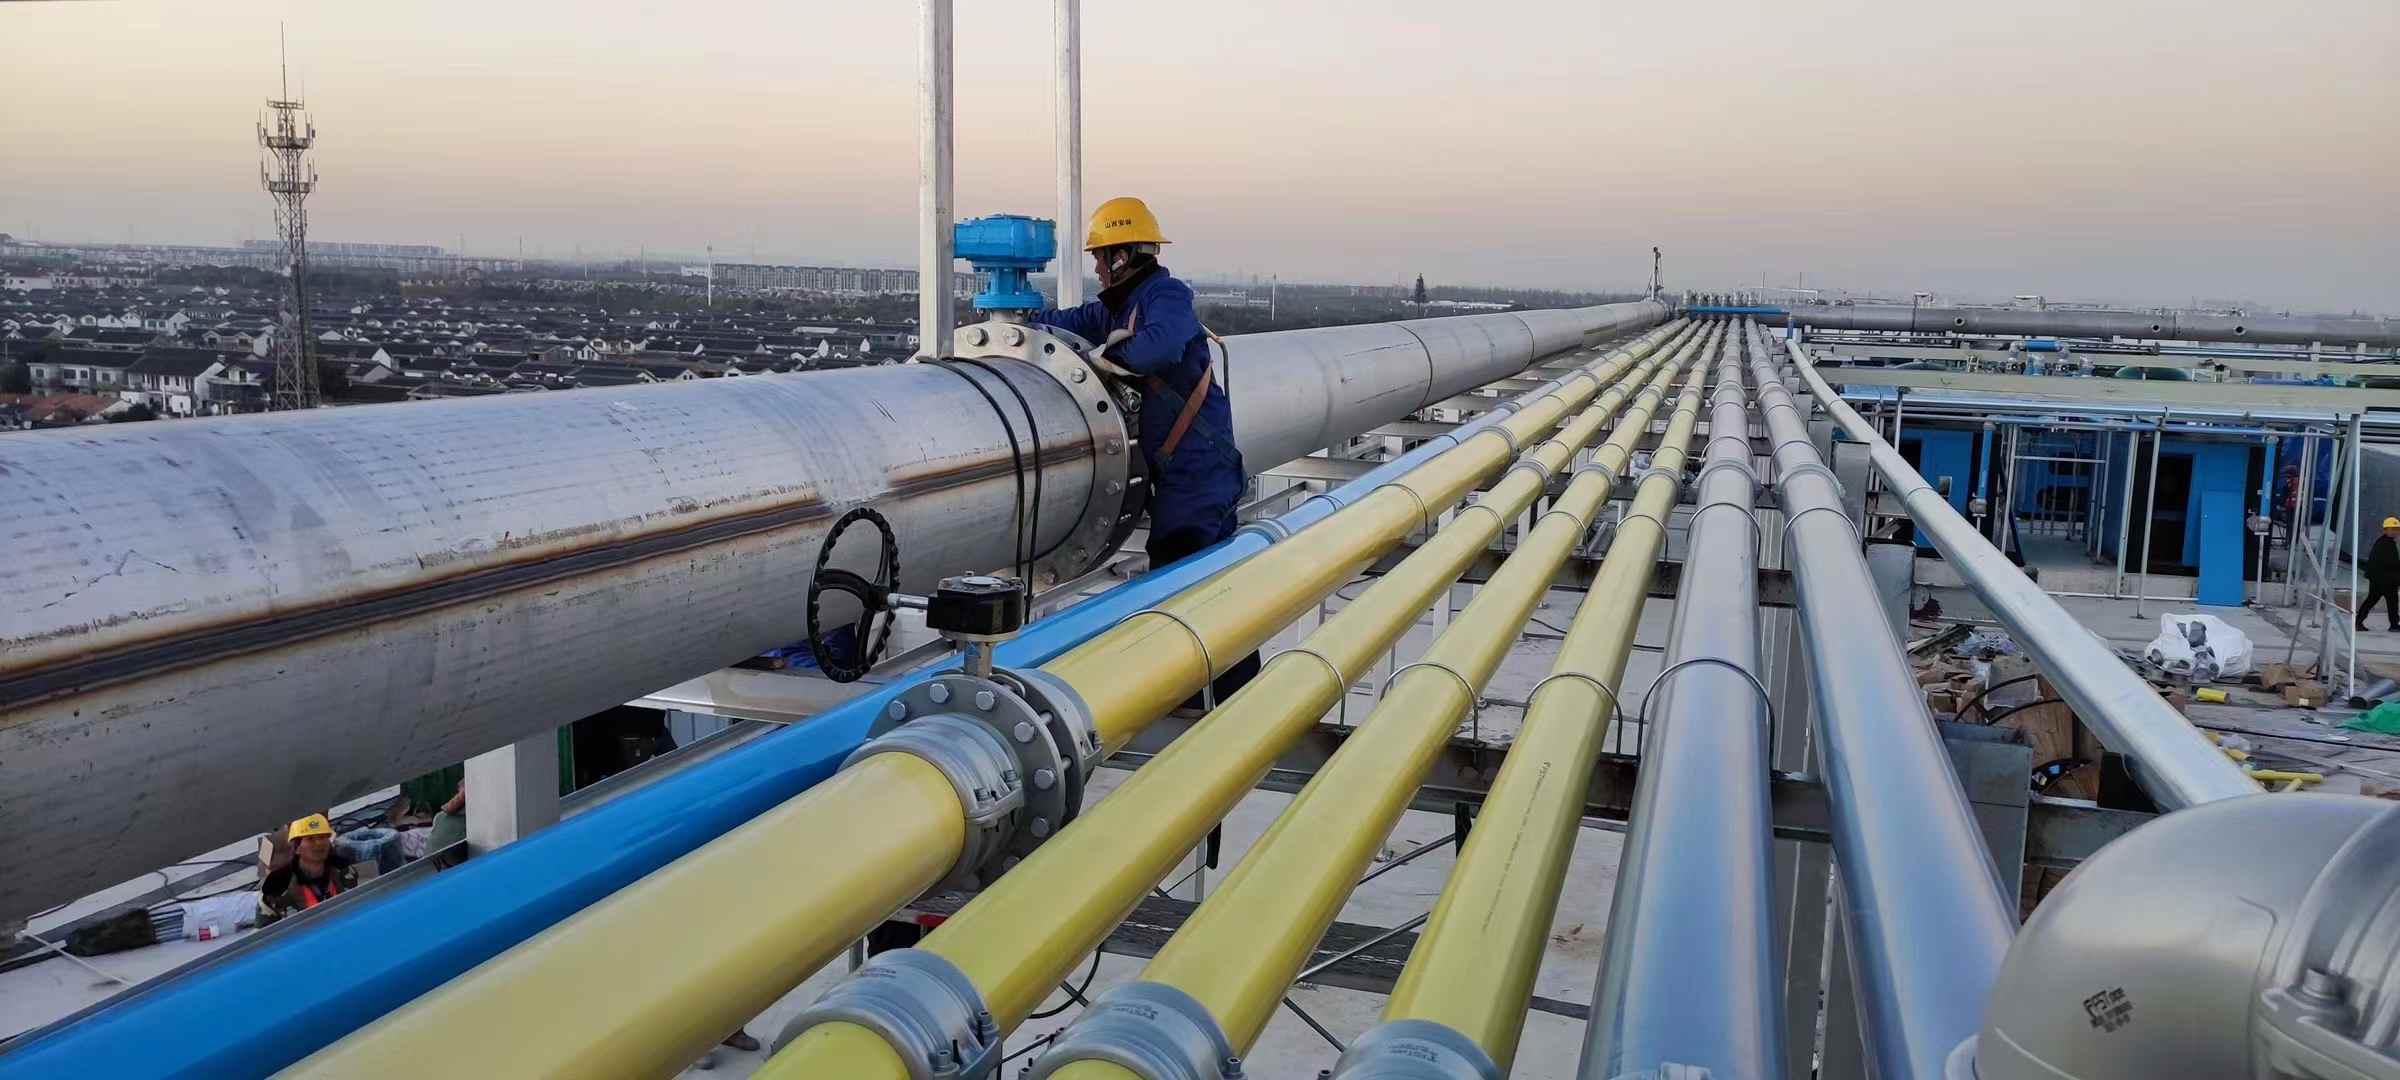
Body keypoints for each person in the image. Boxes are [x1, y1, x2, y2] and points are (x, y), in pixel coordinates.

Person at [1034, 196, 1258, 699]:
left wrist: (1108, 357)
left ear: (1122, 256)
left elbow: (1161, 345)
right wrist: (1023, 318)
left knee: (1192, 587)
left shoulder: (1165, 296)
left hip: (1198, 474)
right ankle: (1231, 699)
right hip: (1187, 473)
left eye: (1100, 257)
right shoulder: (1122, 306)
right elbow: (1067, 321)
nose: (1096, 268)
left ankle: (1220, 703)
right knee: (1207, 587)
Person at [258, 813, 359, 925]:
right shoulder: (277, 887)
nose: (318, 843)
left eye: (322, 837)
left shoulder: (343, 871)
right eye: (310, 839)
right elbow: (265, 934)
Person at [2359, 516, 2400, 632]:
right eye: (2392, 529)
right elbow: (2392, 564)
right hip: (2385, 580)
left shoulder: (2384, 542)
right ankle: (2394, 625)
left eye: (2397, 529)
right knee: (2392, 602)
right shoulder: (2386, 544)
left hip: (2379, 579)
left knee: (2372, 600)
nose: (2395, 531)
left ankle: (2358, 621)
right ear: (2385, 530)